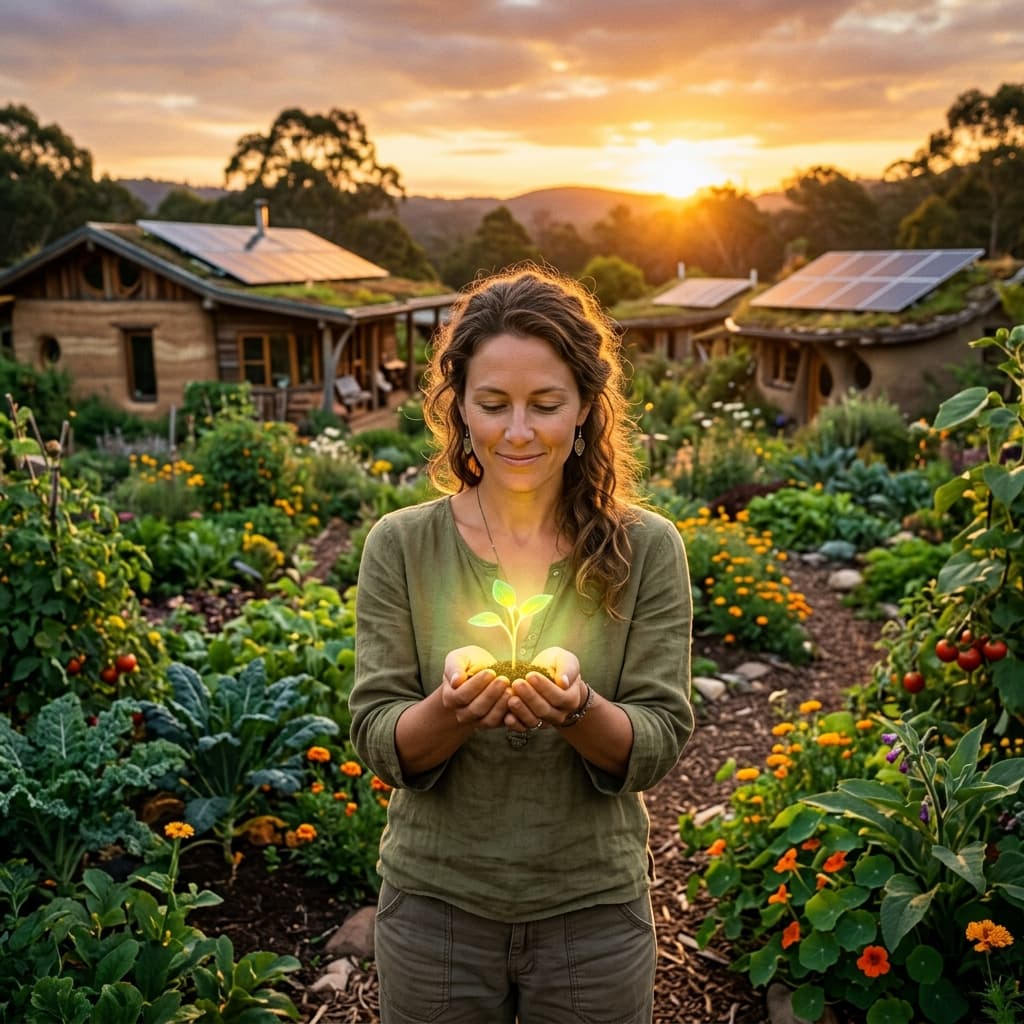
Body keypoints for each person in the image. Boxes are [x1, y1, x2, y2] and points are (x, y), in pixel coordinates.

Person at [349, 264, 694, 1024]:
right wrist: (451, 709)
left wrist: (576, 708)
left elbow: (660, 739)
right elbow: (377, 737)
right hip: (437, 907)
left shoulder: (649, 548)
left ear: (584, 412)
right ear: (458, 409)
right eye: (492, 403)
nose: (517, 430)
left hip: (591, 913)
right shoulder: (402, 546)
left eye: (545, 404)